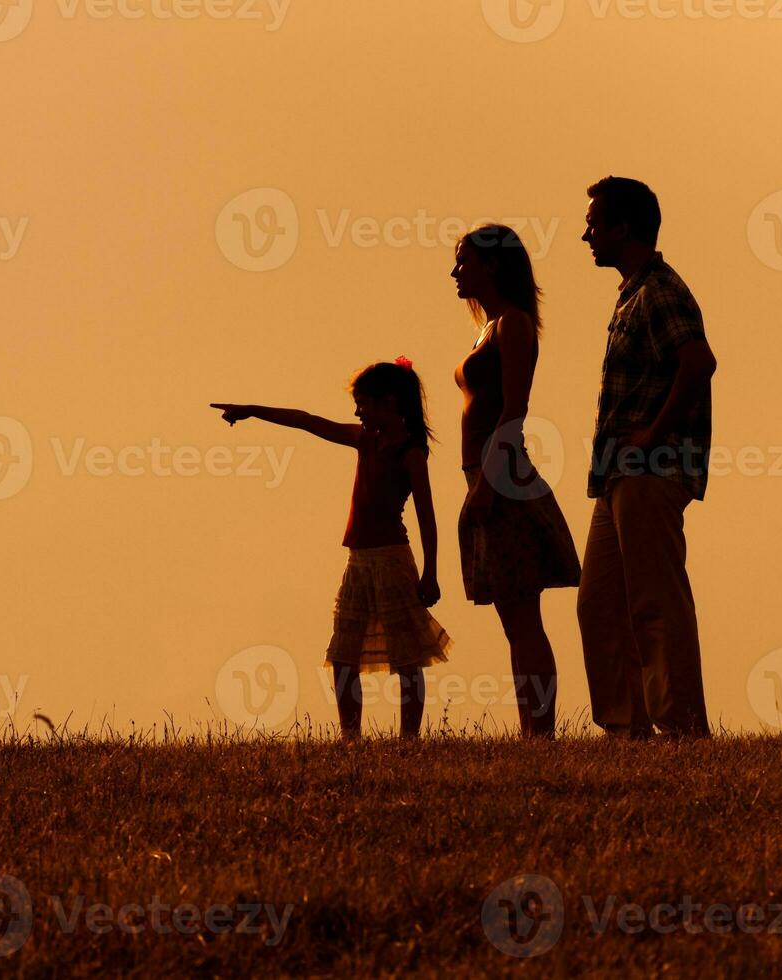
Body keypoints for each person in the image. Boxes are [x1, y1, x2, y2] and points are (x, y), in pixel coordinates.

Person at [210, 358, 450, 740]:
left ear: (388, 403)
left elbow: (428, 516)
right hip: (359, 560)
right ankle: (349, 737)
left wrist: (431, 571)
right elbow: (307, 421)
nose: (358, 411)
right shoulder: (364, 440)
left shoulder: (410, 453)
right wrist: (253, 411)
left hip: (392, 559)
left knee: (406, 657)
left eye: (363, 403)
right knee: (342, 655)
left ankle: (410, 739)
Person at [578, 176, 717, 740]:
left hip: (649, 471)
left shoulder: (660, 289)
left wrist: (655, 437)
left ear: (623, 227)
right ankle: (625, 728)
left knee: (656, 602)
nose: (586, 234)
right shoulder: (633, 291)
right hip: (619, 474)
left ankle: (681, 728)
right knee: (599, 603)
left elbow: (699, 363)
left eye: (595, 223)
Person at [451, 224, 581, 739]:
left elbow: (515, 408)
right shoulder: (489, 327)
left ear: (494, 265)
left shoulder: (515, 324)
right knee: (512, 614)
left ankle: (541, 732)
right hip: (484, 474)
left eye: (465, 261)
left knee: (524, 616)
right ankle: (532, 729)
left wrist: (487, 483)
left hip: (503, 475)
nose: (456, 272)